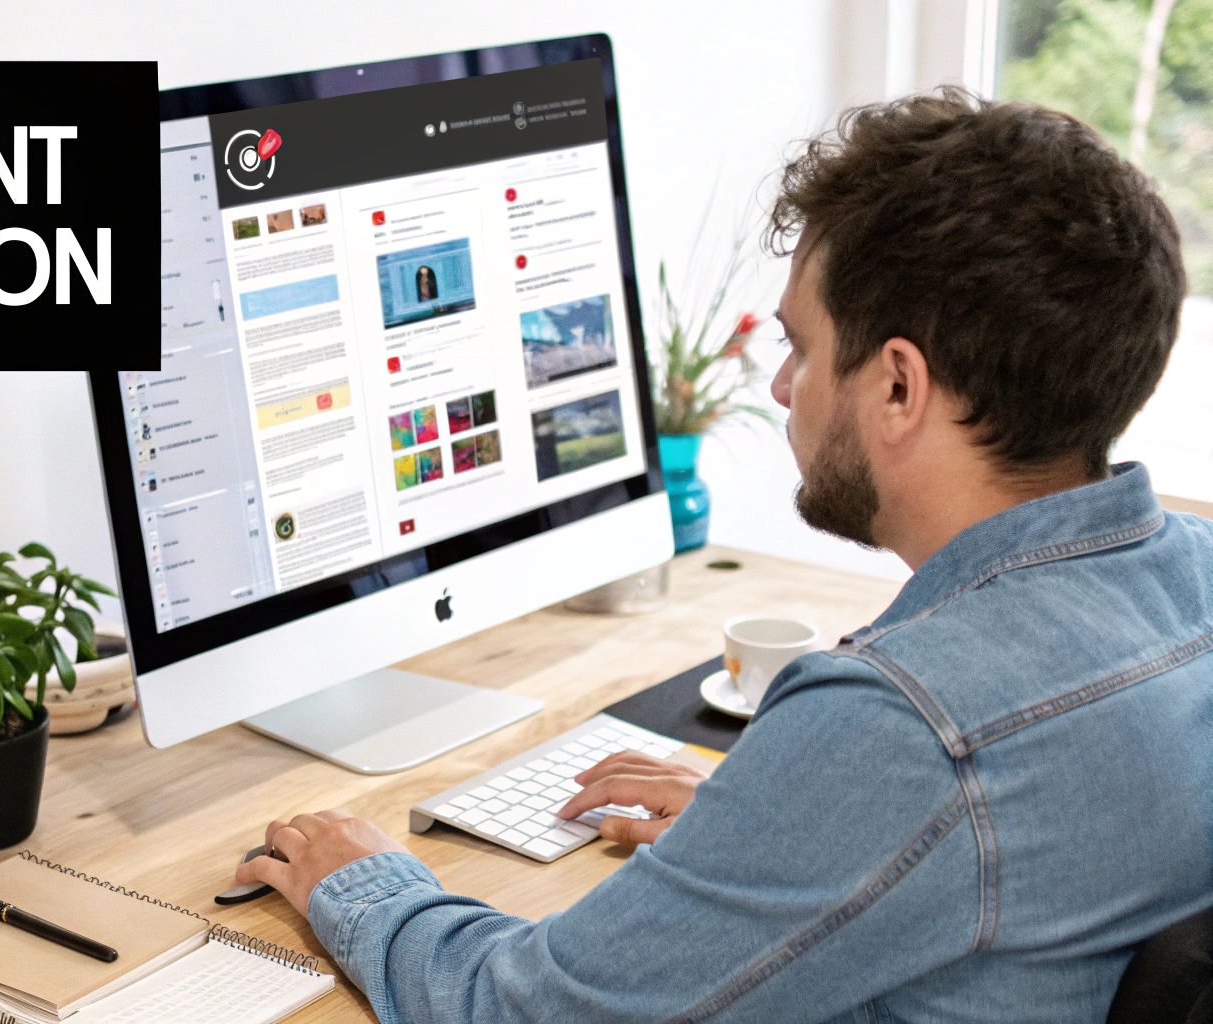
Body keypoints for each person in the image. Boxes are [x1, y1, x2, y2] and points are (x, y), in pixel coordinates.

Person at [237, 89, 1213, 1023]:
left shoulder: (900, 732)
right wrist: (785, 831)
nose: (784, 387)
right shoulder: (1196, 577)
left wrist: (358, 881)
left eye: (799, 345)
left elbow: (514, 1008)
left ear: (897, 387)